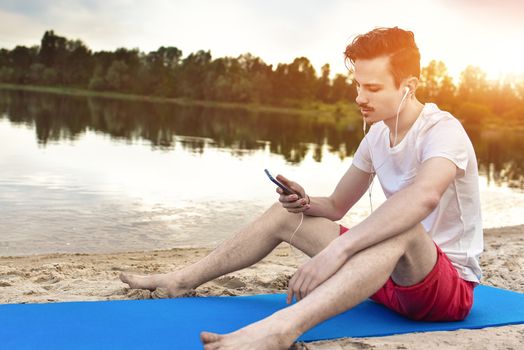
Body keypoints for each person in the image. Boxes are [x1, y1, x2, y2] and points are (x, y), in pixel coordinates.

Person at [120, 27, 483, 350]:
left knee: (401, 227)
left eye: (372, 88)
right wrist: (306, 202)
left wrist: (339, 250)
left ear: (409, 87)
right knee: (285, 214)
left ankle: (279, 331)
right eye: (357, 85)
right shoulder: (376, 134)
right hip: (385, 282)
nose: (359, 97)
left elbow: (423, 197)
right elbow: (338, 205)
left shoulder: (442, 130)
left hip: (444, 291)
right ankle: (181, 281)